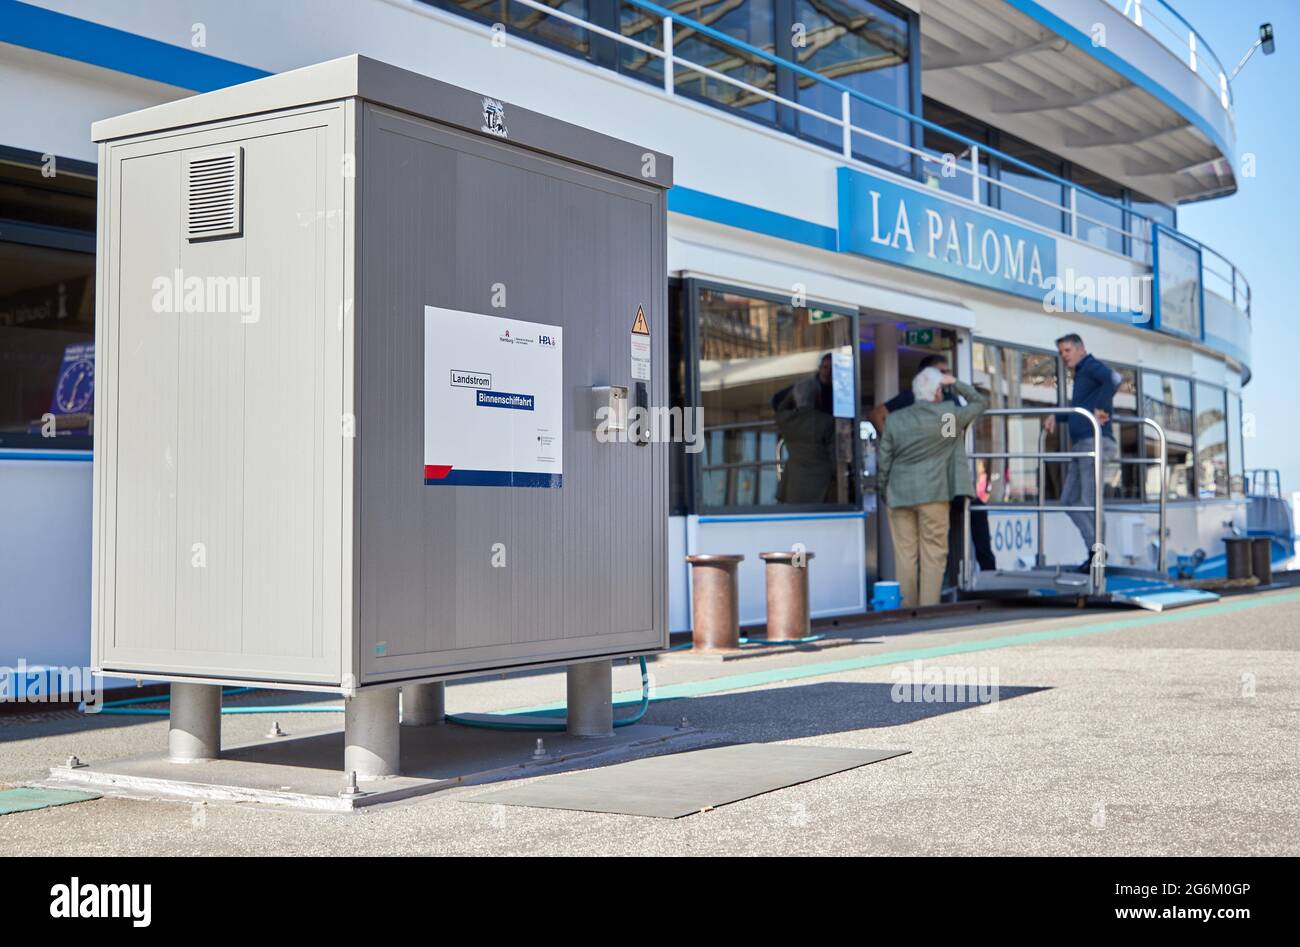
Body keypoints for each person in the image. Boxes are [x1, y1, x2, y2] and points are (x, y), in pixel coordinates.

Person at [870, 354, 996, 582]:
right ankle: (931, 606)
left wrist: (884, 489)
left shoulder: (901, 419)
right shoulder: (943, 409)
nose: (945, 378)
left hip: (906, 490)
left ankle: (910, 608)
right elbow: (979, 404)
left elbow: (886, 458)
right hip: (937, 488)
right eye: (941, 374)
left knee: (907, 557)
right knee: (933, 555)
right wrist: (955, 382)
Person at [1043, 333, 1118, 568]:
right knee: (1068, 501)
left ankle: (1098, 555)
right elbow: (1080, 410)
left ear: (1080, 349)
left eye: (1067, 350)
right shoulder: (1081, 374)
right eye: (1061, 352)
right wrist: (1057, 415)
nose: (1064, 356)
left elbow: (1113, 378)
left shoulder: (1090, 366)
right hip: (1081, 443)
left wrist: (1102, 408)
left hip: (1094, 443)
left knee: (1089, 501)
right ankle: (1095, 551)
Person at [772, 353, 836, 504]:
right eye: (825, 367)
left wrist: (797, 393)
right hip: (821, 485)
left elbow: (779, 405)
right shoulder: (827, 422)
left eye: (831, 368)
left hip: (794, 484)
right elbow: (834, 459)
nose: (828, 371)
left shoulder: (786, 420)